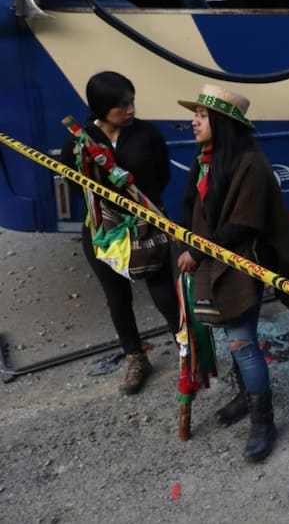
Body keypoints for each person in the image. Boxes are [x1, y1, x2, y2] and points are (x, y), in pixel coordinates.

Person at [176, 84, 289, 462]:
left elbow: (244, 224)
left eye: (201, 116)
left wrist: (197, 252)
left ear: (221, 122)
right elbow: (190, 210)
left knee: (241, 342)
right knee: (229, 336)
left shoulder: (251, 163)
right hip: (212, 260)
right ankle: (246, 396)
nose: (194, 122)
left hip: (239, 263)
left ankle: (264, 421)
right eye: (195, 115)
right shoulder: (205, 158)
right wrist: (186, 243)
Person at [66, 71, 178, 396]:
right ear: (101, 107)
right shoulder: (79, 141)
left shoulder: (147, 134)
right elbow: (76, 186)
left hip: (147, 225)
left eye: (131, 102)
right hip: (103, 231)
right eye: (121, 105)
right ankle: (135, 358)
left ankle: (188, 350)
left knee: (165, 295)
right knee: (117, 299)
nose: (130, 110)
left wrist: (139, 209)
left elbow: (163, 175)